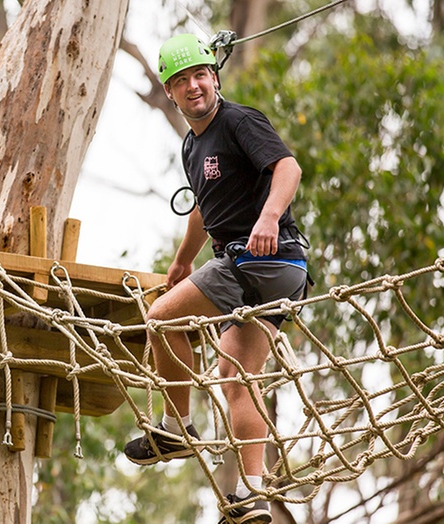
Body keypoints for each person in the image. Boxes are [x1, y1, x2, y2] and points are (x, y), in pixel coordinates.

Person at [122, 34, 310, 524]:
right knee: (235, 377)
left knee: (160, 318)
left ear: (214, 77)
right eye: (180, 80)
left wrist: (268, 218)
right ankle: (252, 493)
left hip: (261, 257)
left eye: (199, 75)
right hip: (278, 274)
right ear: (169, 91)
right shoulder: (191, 146)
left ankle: (175, 428)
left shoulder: (237, 120)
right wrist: (183, 262)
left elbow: (287, 168)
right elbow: (204, 214)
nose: (193, 86)